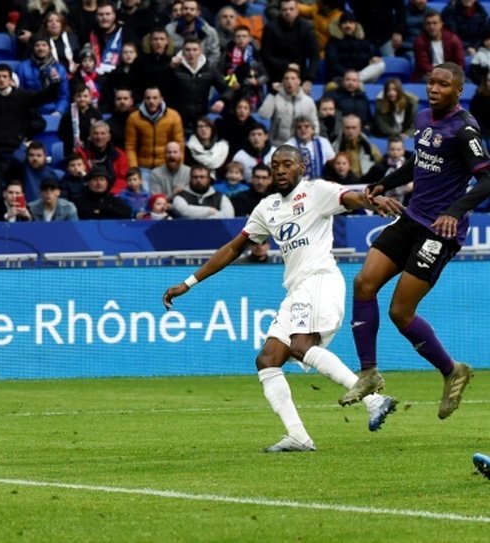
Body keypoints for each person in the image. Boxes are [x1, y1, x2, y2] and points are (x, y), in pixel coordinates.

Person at [162, 145, 401, 452]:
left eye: (288, 164)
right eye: (276, 165)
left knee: (302, 346)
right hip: (297, 288)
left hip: (320, 280)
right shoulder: (267, 207)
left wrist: (371, 200)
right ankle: (299, 436)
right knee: (267, 359)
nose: (280, 170)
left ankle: (374, 400)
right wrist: (189, 282)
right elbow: (234, 248)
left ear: (302, 168)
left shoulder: (317, 191)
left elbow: (349, 197)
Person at [340, 63, 486, 419]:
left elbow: (486, 180)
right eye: (431, 82)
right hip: (411, 217)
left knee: (400, 312)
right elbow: (419, 164)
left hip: (440, 230)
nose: (434, 88)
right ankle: (369, 373)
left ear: (458, 91)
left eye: (443, 84)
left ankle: (453, 370)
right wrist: (384, 183)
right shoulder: (423, 119)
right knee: (363, 283)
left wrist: (454, 210)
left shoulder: (464, 130)